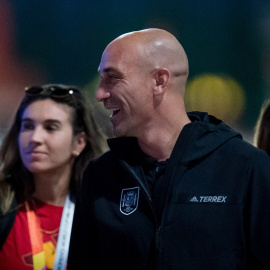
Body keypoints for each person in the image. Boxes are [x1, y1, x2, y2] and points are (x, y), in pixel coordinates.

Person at [67, 29, 270, 269]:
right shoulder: (100, 176)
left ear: (159, 81)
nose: (100, 93)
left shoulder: (247, 168)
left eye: (113, 77)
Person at [0, 84, 107, 270]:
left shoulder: (102, 210)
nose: (35, 137)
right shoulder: (3, 202)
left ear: (79, 143)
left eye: (50, 127)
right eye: (27, 126)